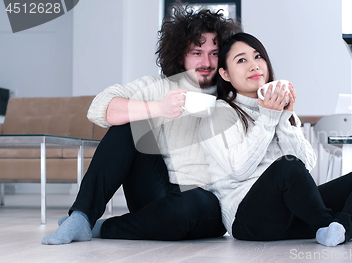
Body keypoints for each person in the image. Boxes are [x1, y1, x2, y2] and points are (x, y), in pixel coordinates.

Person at [42, 3, 241, 245]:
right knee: (128, 124)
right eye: (197, 52)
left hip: (204, 204)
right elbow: (99, 107)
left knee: (196, 202)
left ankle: (103, 227)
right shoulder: (157, 86)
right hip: (156, 191)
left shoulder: (233, 94)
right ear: (180, 55)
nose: (207, 61)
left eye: (214, 53)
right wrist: (158, 108)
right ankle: (82, 217)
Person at [197, 32, 352, 247]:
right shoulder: (218, 113)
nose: (254, 66)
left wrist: (283, 119)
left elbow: (306, 166)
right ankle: (337, 226)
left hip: (294, 214)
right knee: (286, 167)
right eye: (242, 60)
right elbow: (238, 169)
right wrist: (269, 118)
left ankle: (342, 227)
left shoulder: (278, 110)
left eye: (258, 57)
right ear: (225, 74)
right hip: (249, 220)